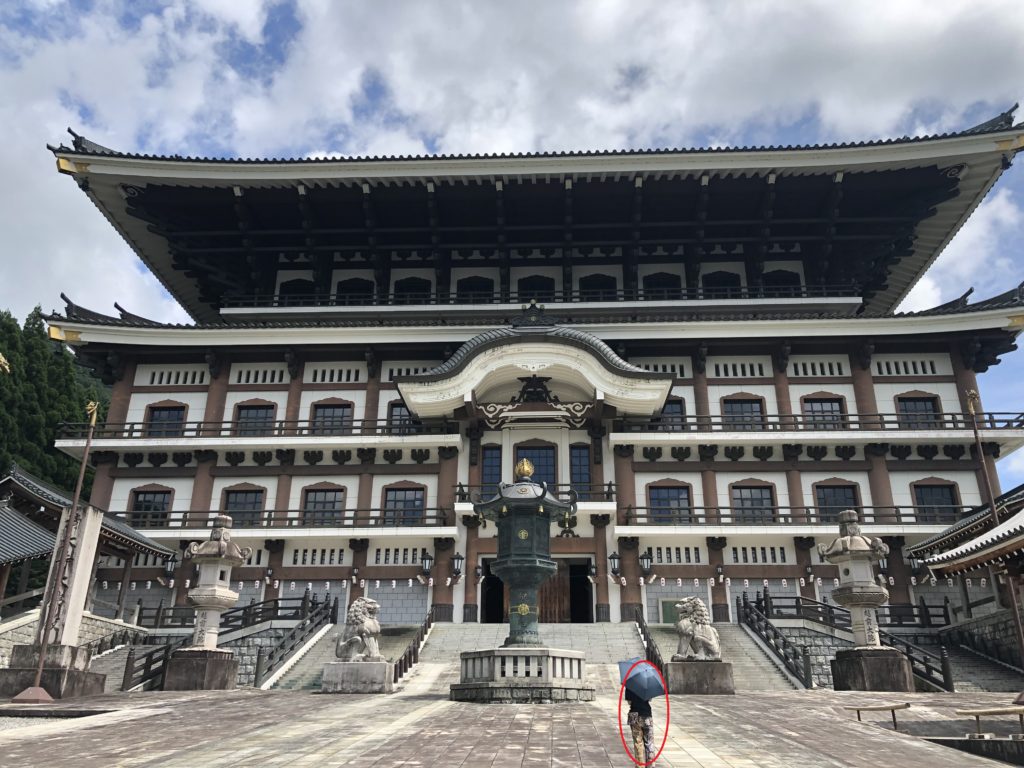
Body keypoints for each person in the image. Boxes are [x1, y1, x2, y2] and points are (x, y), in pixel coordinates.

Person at [625, 688, 655, 765]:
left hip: (634, 715)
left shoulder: (629, 685)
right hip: (647, 715)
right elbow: (650, 699)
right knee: (649, 743)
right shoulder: (648, 685)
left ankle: (640, 765)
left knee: (638, 743)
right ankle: (650, 765)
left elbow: (629, 702)